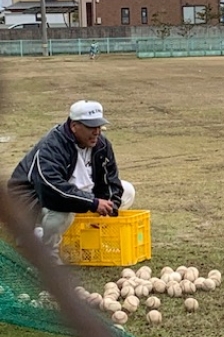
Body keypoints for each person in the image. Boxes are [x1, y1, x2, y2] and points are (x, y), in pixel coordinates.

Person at [7, 100, 135, 264]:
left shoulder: (102, 145)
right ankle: (47, 253)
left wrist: (110, 207)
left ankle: (88, 235)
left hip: (77, 193)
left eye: (99, 126)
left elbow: (111, 180)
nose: (97, 132)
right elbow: (53, 189)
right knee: (62, 210)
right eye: (91, 127)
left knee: (127, 191)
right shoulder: (52, 146)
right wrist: (92, 203)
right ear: (74, 126)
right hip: (35, 200)